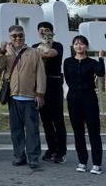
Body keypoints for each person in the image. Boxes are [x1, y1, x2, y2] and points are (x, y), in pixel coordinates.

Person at [0, 25, 46, 169]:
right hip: (13, 97)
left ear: (24, 36)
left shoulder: (34, 52)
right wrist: (0, 52)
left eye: (20, 35)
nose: (18, 38)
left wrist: (40, 94)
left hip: (30, 97)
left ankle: (33, 158)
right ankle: (19, 156)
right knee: (16, 130)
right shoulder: (6, 52)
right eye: (14, 36)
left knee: (32, 130)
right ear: (10, 37)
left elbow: (40, 74)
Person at [63, 35, 106, 175]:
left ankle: (97, 164)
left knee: (94, 132)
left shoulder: (92, 62)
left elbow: (100, 72)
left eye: (81, 44)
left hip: (89, 98)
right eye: (76, 44)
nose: (79, 46)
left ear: (86, 46)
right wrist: (75, 91)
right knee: (78, 132)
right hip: (73, 99)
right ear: (73, 46)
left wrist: (101, 58)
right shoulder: (68, 61)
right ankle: (82, 161)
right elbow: (68, 79)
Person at [32, 21, 67, 163]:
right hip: (40, 87)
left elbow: (50, 54)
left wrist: (39, 51)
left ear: (52, 32)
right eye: (40, 30)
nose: (43, 32)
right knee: (45, 120)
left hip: (54, 84)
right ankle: (51, 148)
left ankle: (61, 151)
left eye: (46, 30)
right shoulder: (34, 46)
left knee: (57, 119)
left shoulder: (57, 45)